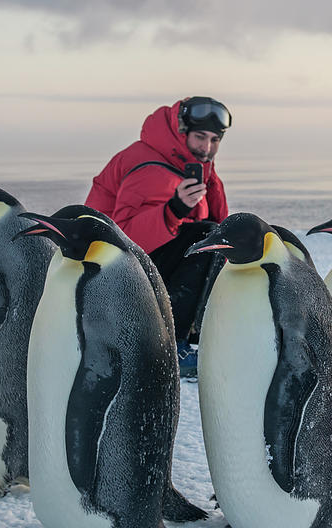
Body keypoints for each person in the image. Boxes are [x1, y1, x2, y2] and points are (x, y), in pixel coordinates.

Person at [85, 96, 232, 377]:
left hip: (133, 273)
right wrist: (173, 210)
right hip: (110, 278)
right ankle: (170, 347)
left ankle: (186, 336)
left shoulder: (183, 165)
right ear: (180, 131)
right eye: (200, 137)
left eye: (215, 140)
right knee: (206, 238)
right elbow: (120, 237)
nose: (207, 147)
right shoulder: (151, 168)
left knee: (211, 239)